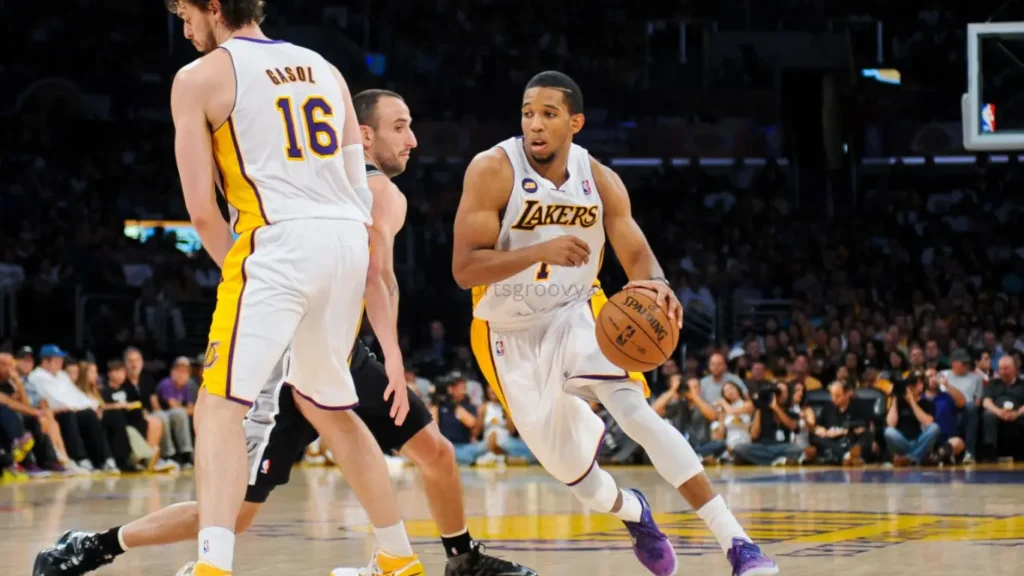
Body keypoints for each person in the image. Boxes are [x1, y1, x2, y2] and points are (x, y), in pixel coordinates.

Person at [34, 90, 533, 576]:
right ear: (361, 133)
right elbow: (377, 276)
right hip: (293, 353)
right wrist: (395, 358)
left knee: (435, 451)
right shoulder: (374, 192)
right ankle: (98, 546)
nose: (413, 140)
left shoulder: (316, 181)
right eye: (400, 126)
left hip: (339, 345)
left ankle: (455, 557)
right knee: (237, 511)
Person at [452, 70, 777, 576]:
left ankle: (737, 543)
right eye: (527, 113)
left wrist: (658, 285)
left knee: (633, 409)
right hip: (506, 332)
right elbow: (465, 268)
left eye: (549, 114)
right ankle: (635, 512)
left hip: (577, 311)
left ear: (574, 123)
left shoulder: (599, 180)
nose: (534, 124)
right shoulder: (492, 169)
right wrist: (541, 249)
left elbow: (639, 257)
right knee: (576, 479)